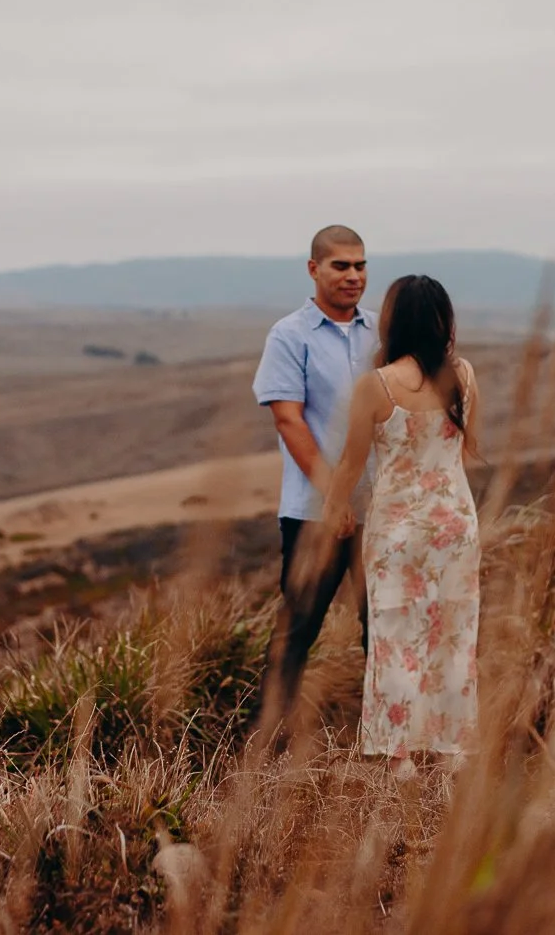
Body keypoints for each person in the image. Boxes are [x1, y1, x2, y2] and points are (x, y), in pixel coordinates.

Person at [322, 275, 481, 776]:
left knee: (394, 633)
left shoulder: (376, 385)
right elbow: (466, 448)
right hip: (455, 521)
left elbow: (351, 463)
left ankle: (399, 756)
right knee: (456, 633)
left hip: (397, 530)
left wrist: (335, 508)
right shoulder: (465, 377)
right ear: (443, 321)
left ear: (391, 322)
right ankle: (453, 749)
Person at [250, 225, 378, 744]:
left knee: (383, 629)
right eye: (341, 266)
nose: (353, 276)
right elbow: (289, 421)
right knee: (298, 629)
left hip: (381, 509)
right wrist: (335, 495)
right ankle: (267, 743)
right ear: (314, 269)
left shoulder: (381, 334)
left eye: (361, 266)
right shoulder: (289, 335)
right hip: (312, 512)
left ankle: (385, 741)